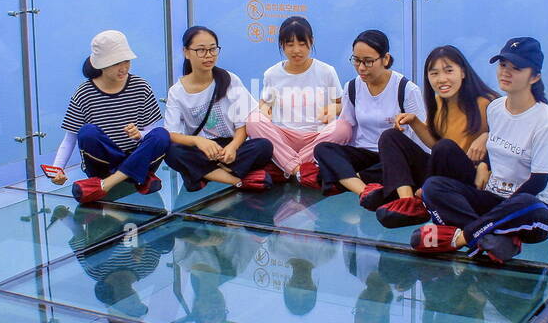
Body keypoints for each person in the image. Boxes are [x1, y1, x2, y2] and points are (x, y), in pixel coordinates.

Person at [412, 37, 548, 265]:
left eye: (516, 68)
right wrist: (484, 165)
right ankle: (493, 239)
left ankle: (460, 238)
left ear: (535, 76)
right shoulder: (496, 108)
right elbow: (496, 146)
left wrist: (503, 209)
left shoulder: (545, 120)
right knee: (434, 186)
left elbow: (539, 181)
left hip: (532, 214)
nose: (505, 73)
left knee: (527, 203)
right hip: (494, 199)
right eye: (502, 66)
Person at [365, 44, 499, 228]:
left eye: (449, 70)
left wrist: (486, 138)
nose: (441, 79)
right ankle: (409, 203)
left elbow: (511, 138)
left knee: (445, 147)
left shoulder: (487, 102)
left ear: (463, 72)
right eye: (434, 73)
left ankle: (412, 195)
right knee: (390, 136)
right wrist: (414, 121)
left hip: (469, 181)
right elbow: (434, 143)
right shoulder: (438, 101)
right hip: (440, 173)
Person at [50, 30, 170, 205]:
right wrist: (57, 169)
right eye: (115, 63)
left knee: (161, 134)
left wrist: (139, 135)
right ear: (100, 65)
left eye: (126, 61)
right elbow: (70, 139)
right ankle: (139, 177)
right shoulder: (84, 93)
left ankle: (106, 184)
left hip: (136, 154)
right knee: (87, 132)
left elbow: (150, 132)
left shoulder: (141, 87)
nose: (124, 68)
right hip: (104, 163)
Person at [312, 29, 427, 197]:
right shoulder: (352, 87)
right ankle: (364, 189)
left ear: (385, 59)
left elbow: (420, 138)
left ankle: (344, 181)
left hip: (394, 157)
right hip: (364, 154)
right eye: (356, 61)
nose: (361, 68)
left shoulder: (406, 89)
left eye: (368, 62)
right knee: (323, 149)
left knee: (398, 165)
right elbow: (347, 127)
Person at [164, 26, 275, 192]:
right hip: (202, 149)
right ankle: (236, 180)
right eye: (201, 50)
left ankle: (203, 173)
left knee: (264, 146)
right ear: (186, 52)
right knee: (172, 152)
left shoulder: (229, 79)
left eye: (212, 49)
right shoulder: (177, 91)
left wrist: (233, 147)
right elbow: (171, 134)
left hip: (229, 148)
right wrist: (198, 141)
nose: (208, 55)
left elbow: (242, 123)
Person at [245, 15, 352, 183]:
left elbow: (341, 104)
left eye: (302, 44)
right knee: (253, 120)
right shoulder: (272, 74)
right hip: (284, 137)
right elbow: (265, 103)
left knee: (343, 128)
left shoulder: (326, 71)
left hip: (316, 136)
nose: (296, 50)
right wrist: (264, 109)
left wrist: (333, 109)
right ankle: (298, 169)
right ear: (282, 45)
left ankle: (286, 167)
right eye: (290, 44)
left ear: (312, 41)